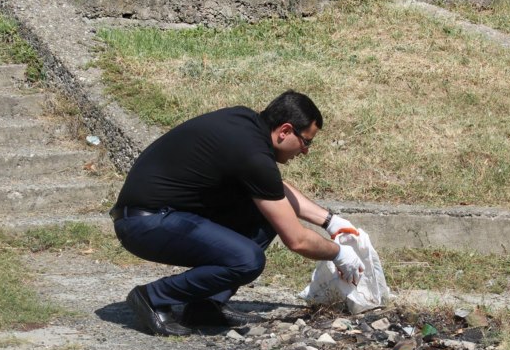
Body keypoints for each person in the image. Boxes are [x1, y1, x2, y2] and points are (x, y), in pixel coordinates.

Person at [110, 90, 364, 336]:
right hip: (145, 223)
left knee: (267, 216)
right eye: (306, 142)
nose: (305, 151)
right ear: (285, 131)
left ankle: (205, 306)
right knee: (247, 260)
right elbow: (297, 240)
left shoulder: (245, 125)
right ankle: (153, 296)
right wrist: (339, 254)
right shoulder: (252, 154)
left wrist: (331, 221)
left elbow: (272, 188)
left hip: (164, 215)